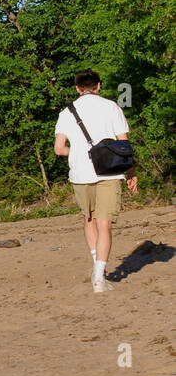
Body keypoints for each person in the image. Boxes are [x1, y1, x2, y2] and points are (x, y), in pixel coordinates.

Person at [53, 71, 139, 292]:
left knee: (89, 219)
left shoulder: (66, 112)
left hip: (81, 174)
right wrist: (131, 172)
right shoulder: (112, 107)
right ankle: (99, 278)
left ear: (77, 88)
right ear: (99, 86)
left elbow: (59, 149)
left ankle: (95, 267)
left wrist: (78, 153)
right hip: (110, 172)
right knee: (105, 224)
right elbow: (124, 144)